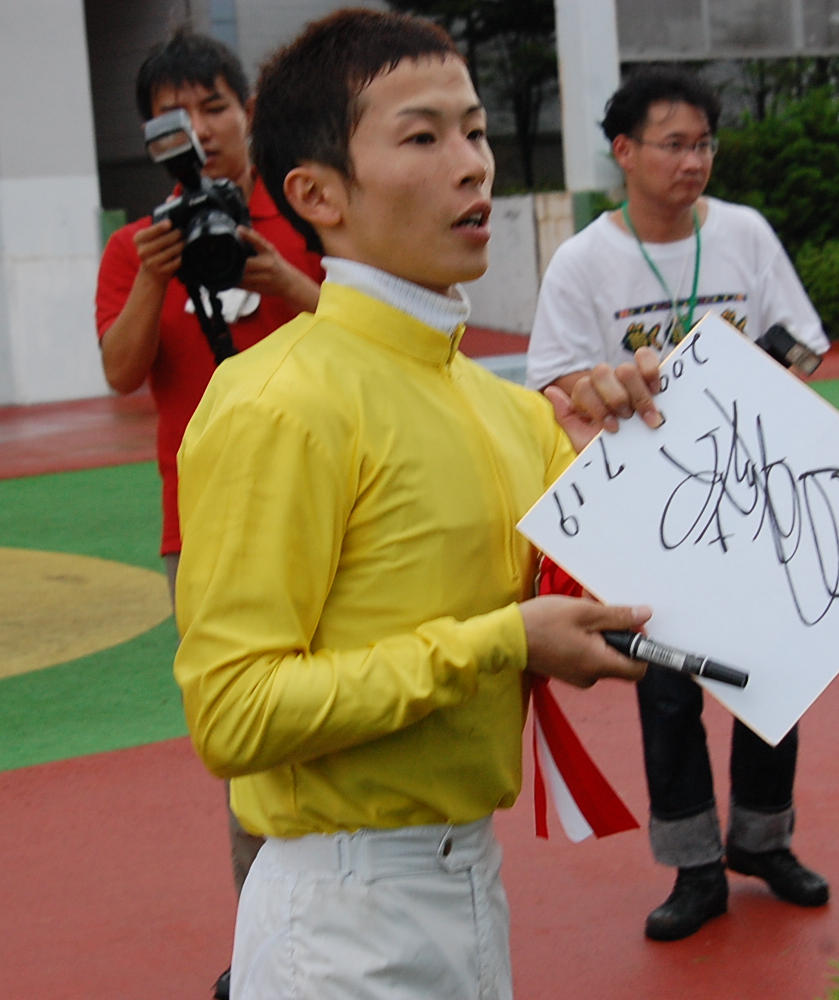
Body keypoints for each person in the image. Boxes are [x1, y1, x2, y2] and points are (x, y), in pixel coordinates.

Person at [172, 11, 653, 998]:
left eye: (474, 130)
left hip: (470, 885)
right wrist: (501, 642)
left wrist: (643, 454)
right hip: (337, 916)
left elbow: (617, 612)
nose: (472, 165)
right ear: (316, 194)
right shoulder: (279, 400)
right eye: (423, 137)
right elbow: (234, 712)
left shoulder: (512, 410)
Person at [526, 66, 832, 942]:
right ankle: (695, 867)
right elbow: (553, 381)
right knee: (668, 696)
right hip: (649, 517)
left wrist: (758, 378)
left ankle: (763, 841)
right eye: (673, 144)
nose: (693, 161)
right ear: (624, 152)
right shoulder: (585, 261)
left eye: (704, 144)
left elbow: (807, 344)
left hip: (752, 498)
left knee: (771, 679)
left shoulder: (744, 233)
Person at [91, 28, 323, 1000]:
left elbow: (374, 336)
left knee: (348, 719)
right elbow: (120, 373)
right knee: (246, 744)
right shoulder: (134, 246)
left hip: (325, 509)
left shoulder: (306, 209)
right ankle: (269, 955)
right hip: (205, 529)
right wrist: (155, 273)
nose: (199, 130)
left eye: (214, 107)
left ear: (248, 111)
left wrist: (286, 279)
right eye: (173, 118)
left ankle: (343, 938)